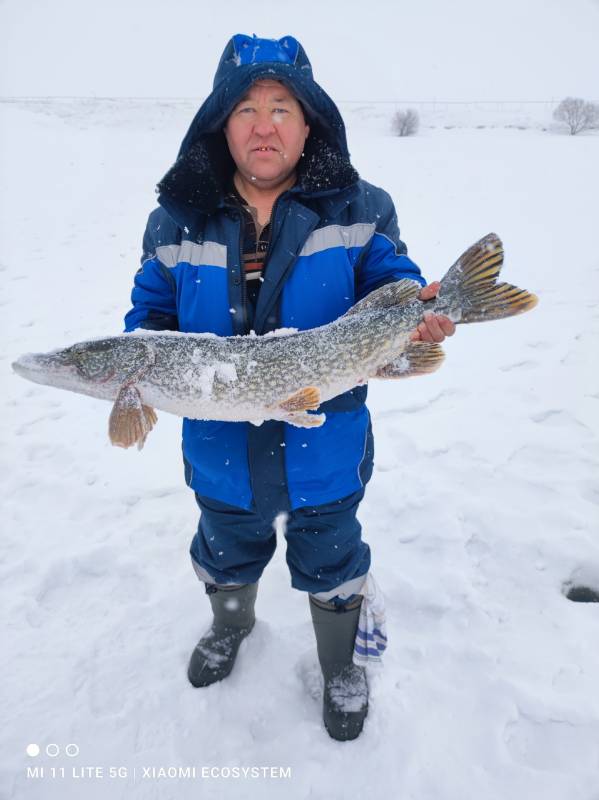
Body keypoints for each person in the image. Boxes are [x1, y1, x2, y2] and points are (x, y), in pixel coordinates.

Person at [124, 33, 455, 741]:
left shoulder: (359, 207)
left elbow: (390, 285)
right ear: (219, 124)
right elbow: (150, 315)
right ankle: (229, 625)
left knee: (333, 555)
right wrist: (143, 363)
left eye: (282, 107)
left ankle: (340, 664)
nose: (264, 124)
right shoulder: (175, 219)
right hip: (219, 446)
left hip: (326, 444)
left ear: (309, 125)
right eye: (245, 109)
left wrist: (412, 320)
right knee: (224, 548)